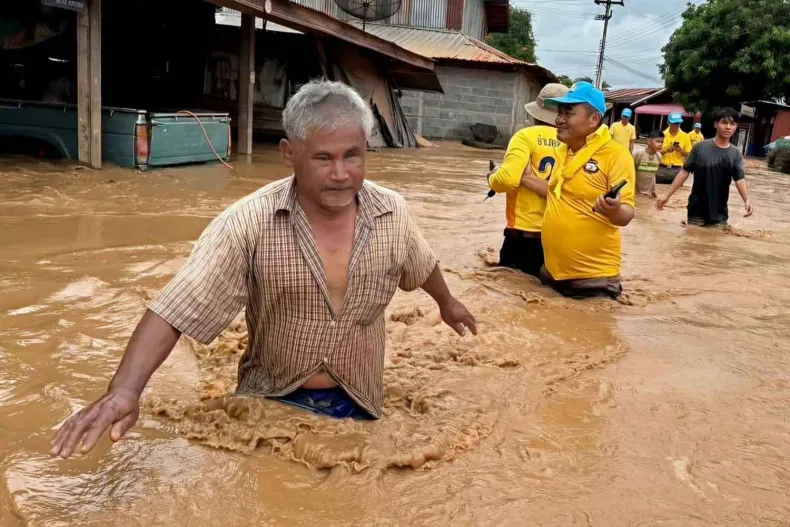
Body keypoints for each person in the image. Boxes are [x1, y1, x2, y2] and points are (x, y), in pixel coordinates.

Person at [50, 81, 477, 459]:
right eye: (323, 158)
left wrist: (447, 301)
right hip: (269, 401)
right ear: (290, 154)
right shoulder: (248, 222)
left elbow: (420, 263)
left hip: (362, 398)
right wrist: (125, 389)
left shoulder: (392, 212)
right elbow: (176, 307)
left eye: (354, 156)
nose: (341, 174)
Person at [539, 82, 636, 298]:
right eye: (559, 112)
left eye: (569, 113)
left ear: (594, 120)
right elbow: (558, 195)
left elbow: (626, 214)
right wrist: (525, 178)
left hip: (592, 281)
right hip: (551, 273)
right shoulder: (562, 152)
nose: (559, 119)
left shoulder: (616, 155)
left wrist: (614, 209)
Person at [486, 83, 569, 277]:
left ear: (535, 113)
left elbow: (507, 180)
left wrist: (492, 178)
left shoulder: (525, 136)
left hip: (523, 237)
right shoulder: (575, 143)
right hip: (558, 239)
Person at [656, 107, 753, 227]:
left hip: (719, 212)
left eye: (732, 124)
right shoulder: (699, 148)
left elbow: (739, 179)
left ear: (736, 126)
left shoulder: (735, 154)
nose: (728, 127)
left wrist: (746, 200)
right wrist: (667, 195)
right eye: (724, 123)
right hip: (696, 209)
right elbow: (684, 173)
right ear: (715, 124)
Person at [656, 112, 691, 184]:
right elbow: (654, 153)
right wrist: (666, 150)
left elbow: (688, 154)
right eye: (674, 123)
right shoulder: (661, 135)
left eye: (678, 123)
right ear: (668, 122)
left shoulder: (685, 136)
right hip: (661, 169)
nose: (676, 125)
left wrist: (680, 151)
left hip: (677, 170)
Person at [632, 130, 663, 197]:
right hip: (636, 192)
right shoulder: (638, 154)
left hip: (649, 194)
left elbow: (653, 175)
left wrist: (654, 190)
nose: (660, 144)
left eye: (662, 142)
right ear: (649, 141)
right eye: (657, 141)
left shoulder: (659, 156)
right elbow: (630, 172)